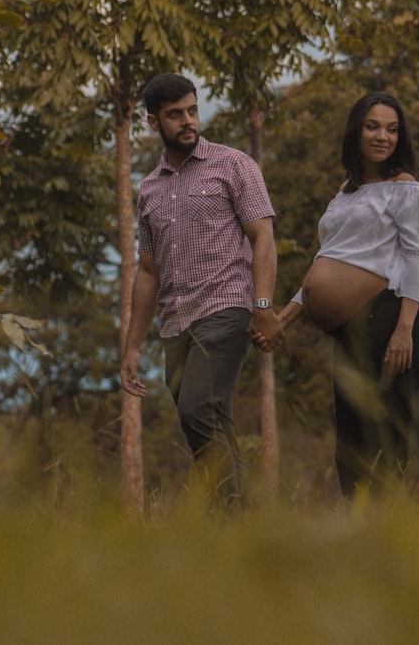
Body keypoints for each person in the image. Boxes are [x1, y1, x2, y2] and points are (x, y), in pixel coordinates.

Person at [265, 91, 419, 499]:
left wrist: (405, 329)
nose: (383, 136)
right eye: (373, 126)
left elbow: (417, 256)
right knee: (354, 435)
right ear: (357, 130)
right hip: (350, 330)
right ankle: (363, 526)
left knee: (405, 427)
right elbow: (327, 261)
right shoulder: (347, 191)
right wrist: (283, 317)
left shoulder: (405, 188)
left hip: (391, 316)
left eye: (392, 129)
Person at [120, 73, 282, 511]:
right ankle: (243, 522)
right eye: (175, 115)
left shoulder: (234, 165)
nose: (188, 121)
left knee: (196, 409)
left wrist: (263, 305)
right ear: (154, 123)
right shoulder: (149, 189)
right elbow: (148, 270)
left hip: (225, 307)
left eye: (192, 110)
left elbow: (262, 238)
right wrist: (132, 345)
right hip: (175, 324)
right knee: (206, 423)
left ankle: (231, 523)